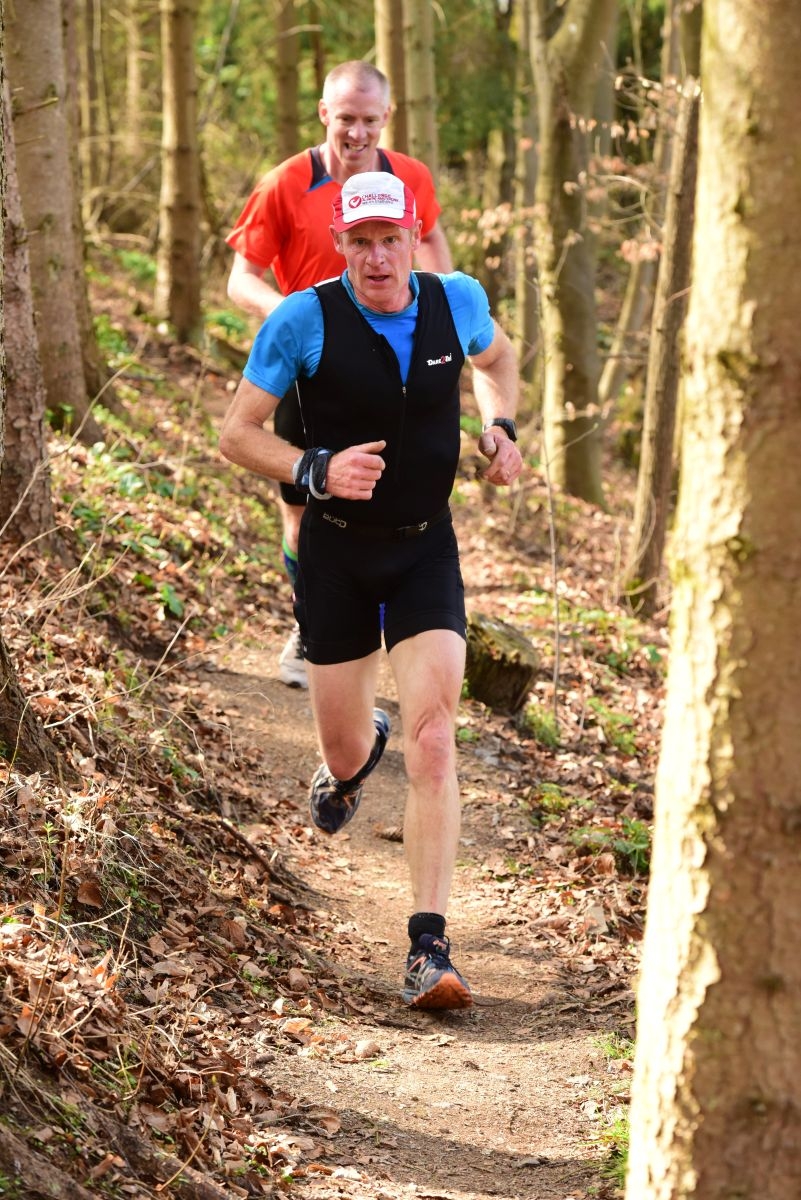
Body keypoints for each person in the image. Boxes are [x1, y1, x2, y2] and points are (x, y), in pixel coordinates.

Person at [219, 172, 523, 1010]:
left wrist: (499, 427)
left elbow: (498, 360)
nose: (379, 256)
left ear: (415, 237)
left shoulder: (456, 299)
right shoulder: (301, 319)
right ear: (340, 244)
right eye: (361, 242)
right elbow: (236, 434)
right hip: (336, 558)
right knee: (348, 749)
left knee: (436, 740)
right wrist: (313, 467)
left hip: (425, 550)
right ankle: (354, 761)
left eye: (392, 239)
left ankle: (429, 947)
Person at [226, 60, 452, 688]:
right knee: (306, 511)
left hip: (395, 367)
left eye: (370, 120)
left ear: (387, 117)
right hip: (310, 373)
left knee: (399, 502)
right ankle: (313, 622)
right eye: (346, 118)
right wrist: (294, 320)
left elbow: (434, 246)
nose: (357, 133)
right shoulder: (285, 183)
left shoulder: (410, 178)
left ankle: (390, 630)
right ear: (324, 113)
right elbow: (241, 278)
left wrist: (439, 319)